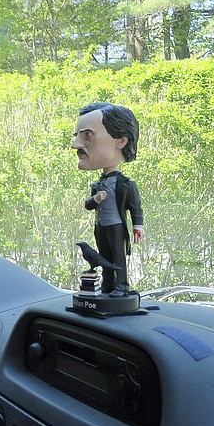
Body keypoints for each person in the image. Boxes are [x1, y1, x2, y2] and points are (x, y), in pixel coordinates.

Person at [72, 102, 144, 296]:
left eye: (87, 136)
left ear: (120, 141)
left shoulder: (126, 184)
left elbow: (135, 207)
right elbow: (88, 205)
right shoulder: (97, 185)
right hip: (101, 226)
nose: (75, 145)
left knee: (118, 257)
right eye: (76, 136)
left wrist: (138, 226)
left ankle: (121, 286)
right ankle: (108, 285)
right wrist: (94, 199)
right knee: (103, 257)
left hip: (116, 226)